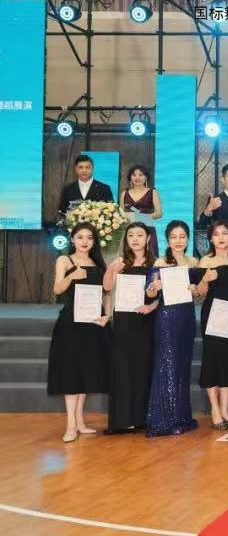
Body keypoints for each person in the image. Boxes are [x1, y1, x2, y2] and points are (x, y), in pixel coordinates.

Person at [47, 222, 110, 442]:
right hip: (70, 324)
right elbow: (57, 289)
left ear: (94, 241)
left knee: (85, 372)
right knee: (71, 372)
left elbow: (106, 293)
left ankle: (81, 421)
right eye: (80, 237)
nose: (85, 241)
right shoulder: (65, 260)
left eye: (89, 238)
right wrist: (72, 276)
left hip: (93, 323)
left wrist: (107, 314)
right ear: (72, 239)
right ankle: (71, 425)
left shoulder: (98, 262)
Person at [145, 220, 201, 437]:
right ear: (168, 240)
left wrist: (195, 289)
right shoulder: (161, 261)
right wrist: (154, 286)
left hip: (187, 316)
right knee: (166, 365)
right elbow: (150, 292)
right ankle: (164, 420)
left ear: (187, 239)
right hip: (167, 317)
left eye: (182, 236)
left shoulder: (194, 262)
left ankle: (181, 417)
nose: (178, 241)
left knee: (182, 366)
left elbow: (198, 292)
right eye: (174, 237)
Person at [102, 222, 157, 435]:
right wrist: (111, 270)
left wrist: (151, 303)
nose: (135, 239)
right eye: (131, 235)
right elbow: (107, 287)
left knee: (142, 367)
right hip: (124, 319)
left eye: (139, 235)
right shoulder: (120, 262)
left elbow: (159, 296)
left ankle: (140, 418)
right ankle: (123, 420)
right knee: (122, 368)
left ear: (148, 238)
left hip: (145, 318)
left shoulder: (156, 263)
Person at [196, 221, 228, 429]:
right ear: (211, 238)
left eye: (225, 233)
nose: (221, 237)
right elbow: (199, 293)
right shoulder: (206, 260)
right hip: (212, 316)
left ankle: (225, 409)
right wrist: (205, 279)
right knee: (212, 359)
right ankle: (214, 409)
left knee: (227, 360)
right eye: (216, 234)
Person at [120, 165, 162, 253]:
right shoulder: (124, 193)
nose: (137, 177)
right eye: (134, 175)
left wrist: (141, 217)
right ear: (130, 177)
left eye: (140, 175)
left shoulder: (152, 192)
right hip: (130, 231)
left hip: (147, 229)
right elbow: (120, 214)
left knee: (149, 256)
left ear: (146, 177)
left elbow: (159, 213)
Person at [58, 154, 113, 220]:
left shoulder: (104, 189)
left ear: (92, 168)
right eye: (81, 167)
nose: (84, 170)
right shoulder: (68, 189)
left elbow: (110, 212)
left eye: (87, 167)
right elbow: (62, 212)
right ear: (76, 169)